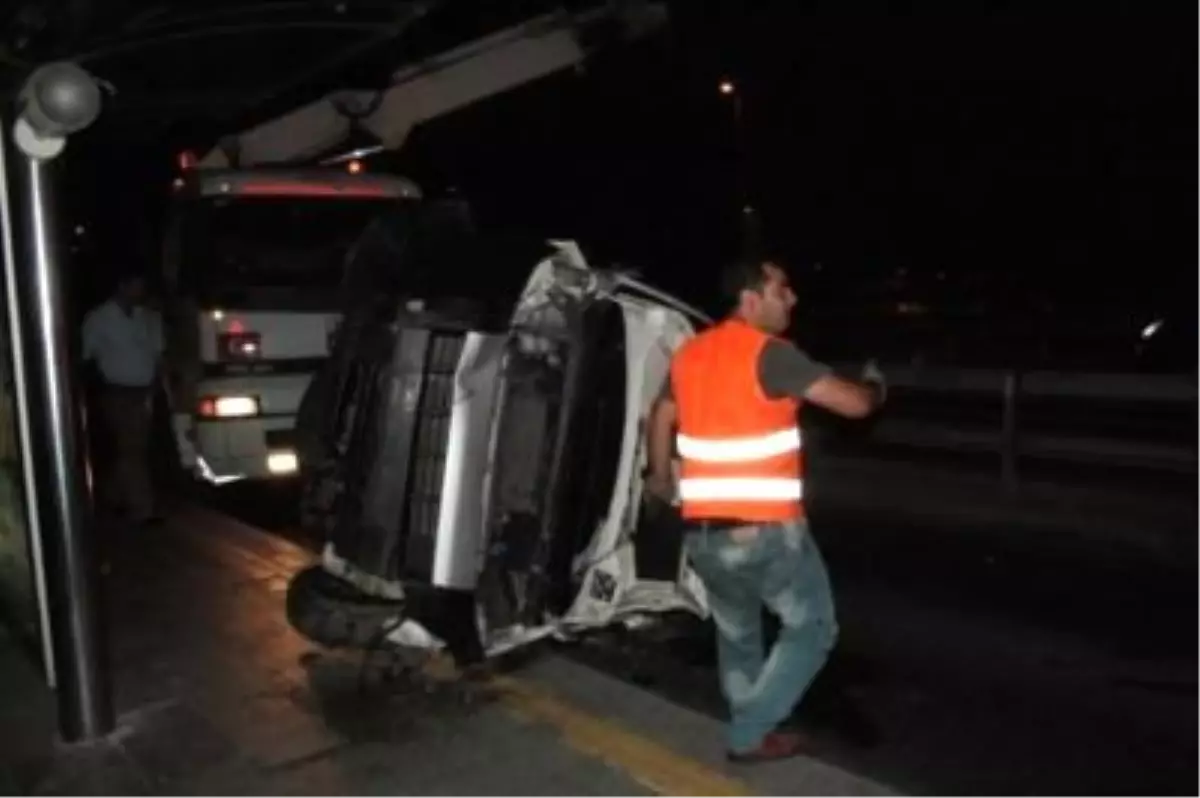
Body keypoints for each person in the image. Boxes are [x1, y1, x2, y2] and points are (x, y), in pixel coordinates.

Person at [645, 256, 885, 763]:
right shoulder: (770, 354)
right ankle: (750, 727)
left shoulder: (690, 354)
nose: (792, 298)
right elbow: (853, 405)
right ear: (751, 300)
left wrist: (661, 478)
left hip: (704, 532)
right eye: (782, 289)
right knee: (813, 628)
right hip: (767, 532)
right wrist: (874, 388)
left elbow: (661, 415)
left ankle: (751, 730)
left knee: (738, 636)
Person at [81, 272, 165, 525]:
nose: (140, 292)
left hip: (144, 391)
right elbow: (86, 355)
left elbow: (158, 352)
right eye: (136, 286)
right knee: (132, 450)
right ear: (123, 285)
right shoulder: (99, 318)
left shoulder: (148, 317)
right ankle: (142, 508)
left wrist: (157, 385)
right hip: (117, 391)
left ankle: (112, 493)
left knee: (134, 448)